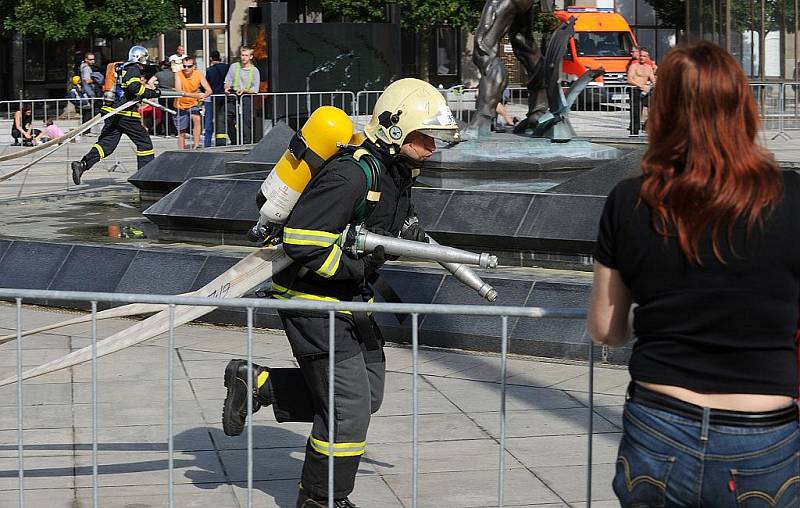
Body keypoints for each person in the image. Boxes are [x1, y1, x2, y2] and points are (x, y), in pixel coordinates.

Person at [221, 78, 460, 508]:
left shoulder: (396, 174)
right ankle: (321, 498)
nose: (432, 146)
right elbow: (301, 240)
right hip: (312, 301)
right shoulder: (352, 174)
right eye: (426, 136)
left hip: (351, 299)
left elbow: (388, 227)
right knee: (348, 410)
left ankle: (259, 384)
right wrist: (356, 265)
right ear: (396, 128)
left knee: (368, 395)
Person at [588, 41, 800, 507]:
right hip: (761, 430)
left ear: (662, 113)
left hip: (660, 422)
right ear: (743, 107)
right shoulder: (791, 197)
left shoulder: (630, 200)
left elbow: (607, 328)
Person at [70, 45, 161, 185]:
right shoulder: (133, 69)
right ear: (140, 59)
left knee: (106, 145)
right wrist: (153, 93)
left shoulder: (122, 68)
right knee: (145, 143)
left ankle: (82, 165)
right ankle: (145, 178)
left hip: (112, 112)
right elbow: (135, 88)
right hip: (126, 114)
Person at [223, 46, 260, 145]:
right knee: (227, 118)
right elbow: (227, 81)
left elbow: (255, 89)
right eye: (242, 55)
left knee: (245, 122)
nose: (243, 57)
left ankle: (246, 143)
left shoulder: (255, 71)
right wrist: (227, 89)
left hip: (246, 98)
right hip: (233, 96)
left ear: (251, 57)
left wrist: (245, 90)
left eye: (246, 55)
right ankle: (234, 141)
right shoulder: (234, 66)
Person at [174, 56, 211, 149]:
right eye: (184, 66)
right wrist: (196, 96)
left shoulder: (198, 74)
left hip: (192, 103)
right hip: (180, 104)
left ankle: (196, 145)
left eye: (189, 66)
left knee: (197, 119)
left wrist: (204, 96)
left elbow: (209, 90)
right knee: (182, 130)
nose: (186, 68)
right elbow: (179, 91)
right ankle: (181, 150)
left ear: (194, 66)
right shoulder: (178, 74)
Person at [204, 50, 229, 147]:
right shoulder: (227, 67)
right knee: (223, 120)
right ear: (220, 58)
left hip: (214, 97)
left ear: (211, 59)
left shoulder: (210, 70)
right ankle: (222, 142)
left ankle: (207, 143)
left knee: (210, 120)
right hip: (226, 97)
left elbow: (206, 85)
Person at [626, 47, 656, 130]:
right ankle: (634, 130)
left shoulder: (648, 67)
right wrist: (641, 86)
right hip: (635, 90)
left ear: (647, 57)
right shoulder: (634, 66)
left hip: (645, 91)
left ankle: (649, 127)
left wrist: (655, 84)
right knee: (636, 111)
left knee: (652, 107)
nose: (642, 58)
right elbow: (630, 79)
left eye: (644, 56)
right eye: (641, 56)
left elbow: (653, 79)